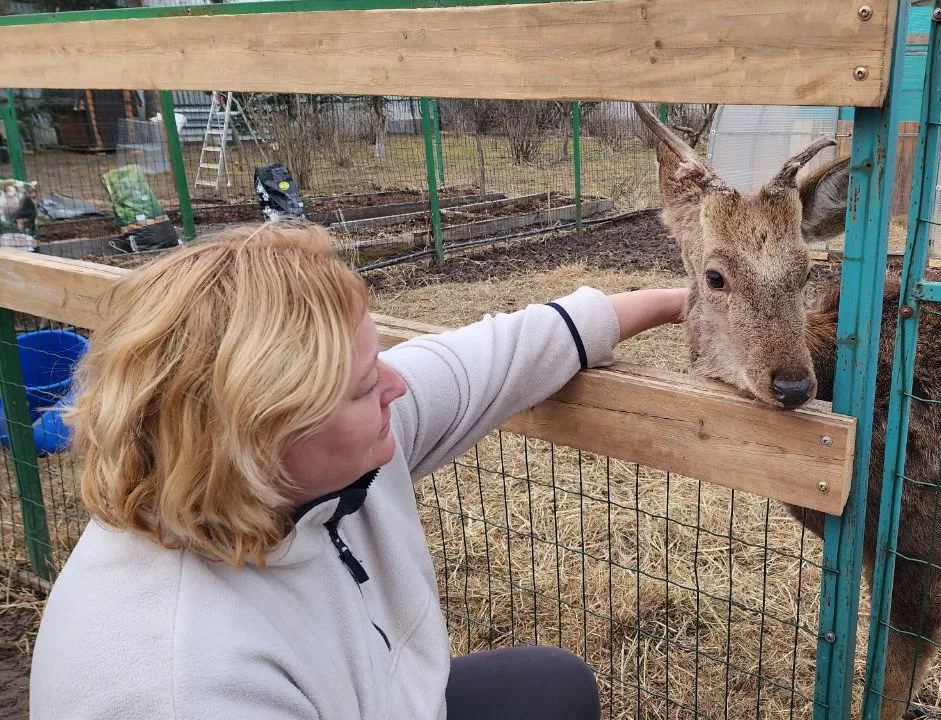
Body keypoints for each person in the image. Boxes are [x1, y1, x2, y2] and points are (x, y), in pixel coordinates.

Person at [28, 220, 688, 719]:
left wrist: (682, 300)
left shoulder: (295, 463)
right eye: (364, 384)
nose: (397, 388)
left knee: (551, 685)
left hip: (376, 698)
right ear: (263, 431)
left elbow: (494, 356)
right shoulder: (187, 684)